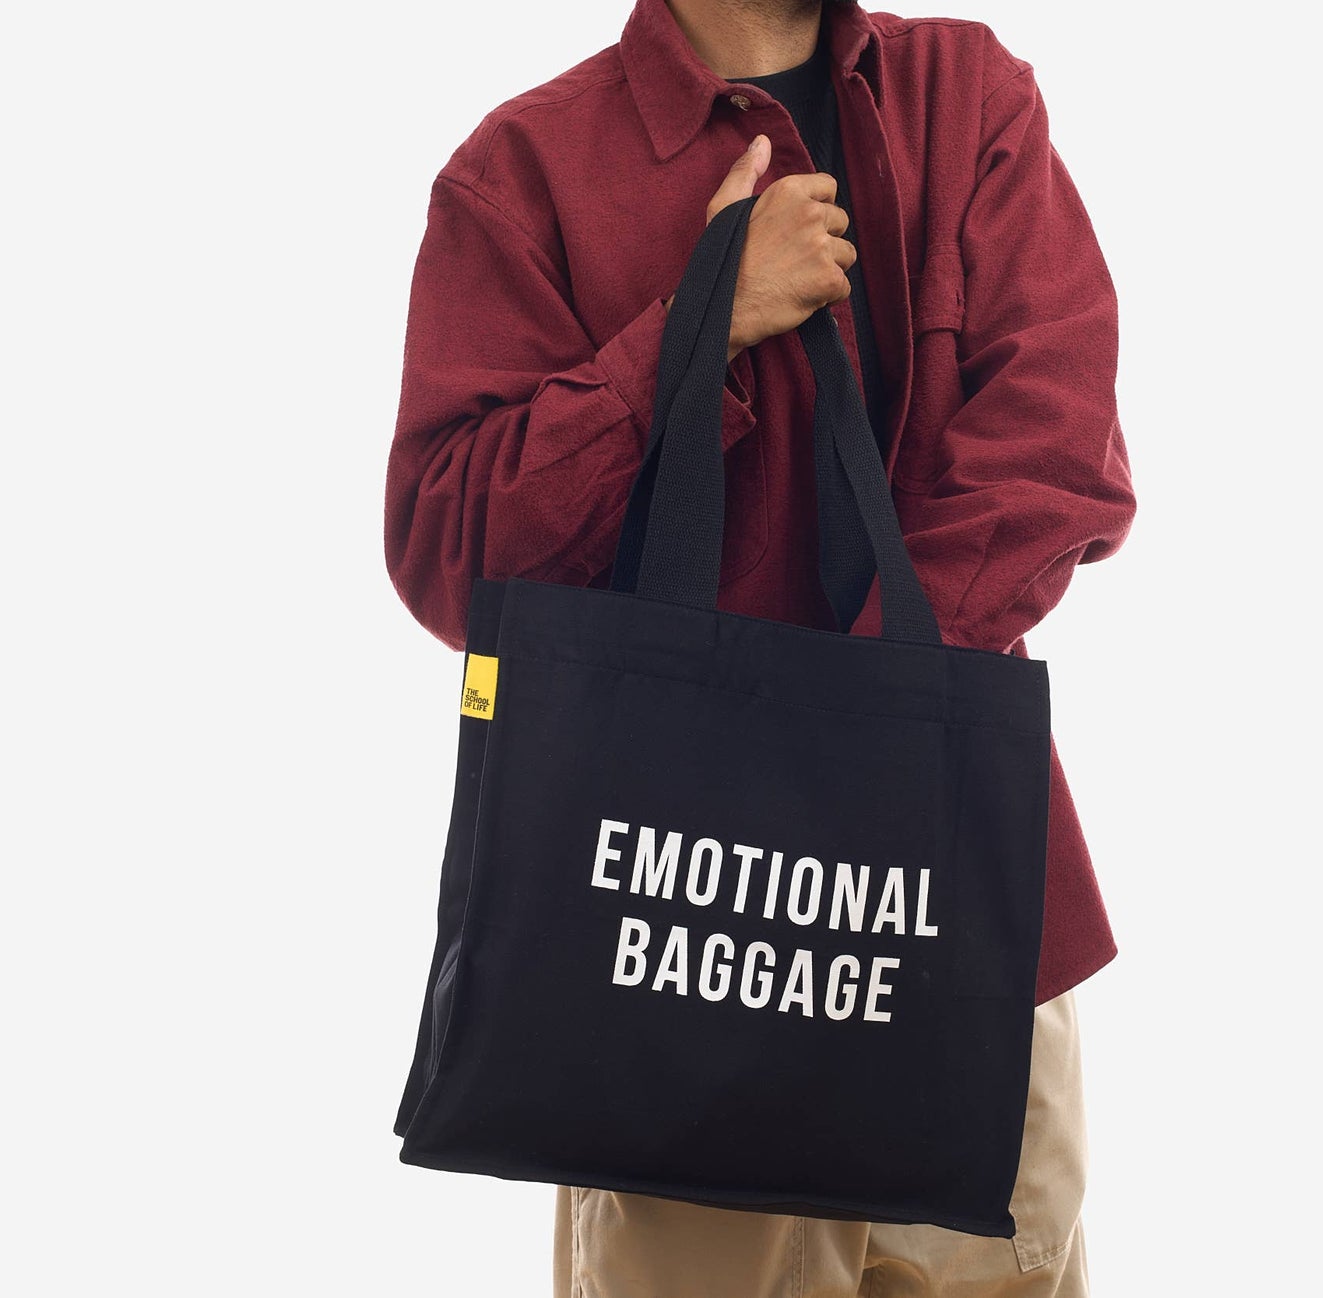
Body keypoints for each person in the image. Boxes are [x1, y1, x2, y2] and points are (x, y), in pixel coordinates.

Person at [383, 1, 1136, 1292]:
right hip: (673, 974)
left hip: (960, 947)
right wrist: (689, 328)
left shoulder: (966, 98)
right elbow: (449, 547)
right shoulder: (521, 176)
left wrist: (846, 731)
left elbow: (1060, 453)